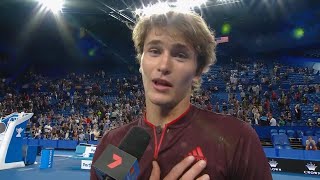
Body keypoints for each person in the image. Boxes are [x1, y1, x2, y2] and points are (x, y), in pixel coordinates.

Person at [91, 6, 272, 180]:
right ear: (141, 62)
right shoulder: (112, 142)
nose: (164, 66)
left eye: (180, 55)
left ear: (197, 71)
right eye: (154, 51)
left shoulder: (235, 137)